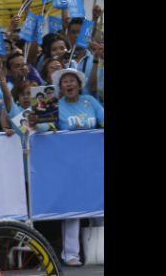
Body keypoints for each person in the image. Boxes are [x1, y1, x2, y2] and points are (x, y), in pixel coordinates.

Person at [30, 68, 103, 267]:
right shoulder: (55, 105)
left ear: (79, 85)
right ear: (60, 87)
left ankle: (100, 251)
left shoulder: (91, 102)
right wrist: (36, 124)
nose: (69, 84)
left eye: (73, 81)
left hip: (94, 165)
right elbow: (46, 127)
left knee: (100, 206)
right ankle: (71, 254)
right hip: (68, 167)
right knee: (73, 208)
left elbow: (102, 120)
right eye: (65, 82)